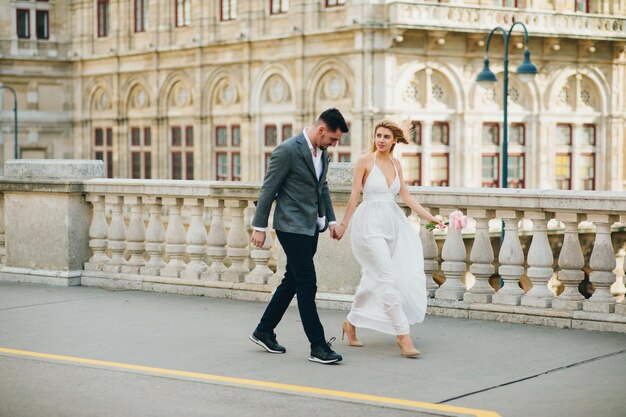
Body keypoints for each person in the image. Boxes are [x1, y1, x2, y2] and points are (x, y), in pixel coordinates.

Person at [332, 119, 443, 358]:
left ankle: (350, 324)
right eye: (378, 135)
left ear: (394, 140)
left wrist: (430, 217)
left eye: (385, 137)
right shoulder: (364, 161)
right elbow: (354, 196)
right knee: (387, 277)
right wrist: (343, 225)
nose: (380, 140)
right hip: (369, 225)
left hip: (391, 224)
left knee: (375, 278)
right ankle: (403, 336)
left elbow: (406, 196)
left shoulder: (396, 164)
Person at [249, 108, 349, 364]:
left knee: (292, 280)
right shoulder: (287, 150)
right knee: (307, 282)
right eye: (333, 139)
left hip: (311, 226)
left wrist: (332, 219)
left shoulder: (323, 153)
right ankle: (318, 346)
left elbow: (322, 186)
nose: (334, 145)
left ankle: (264, 330)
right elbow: (268, 189)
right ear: (321, 129)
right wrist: (259, 227)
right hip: (290, 226)